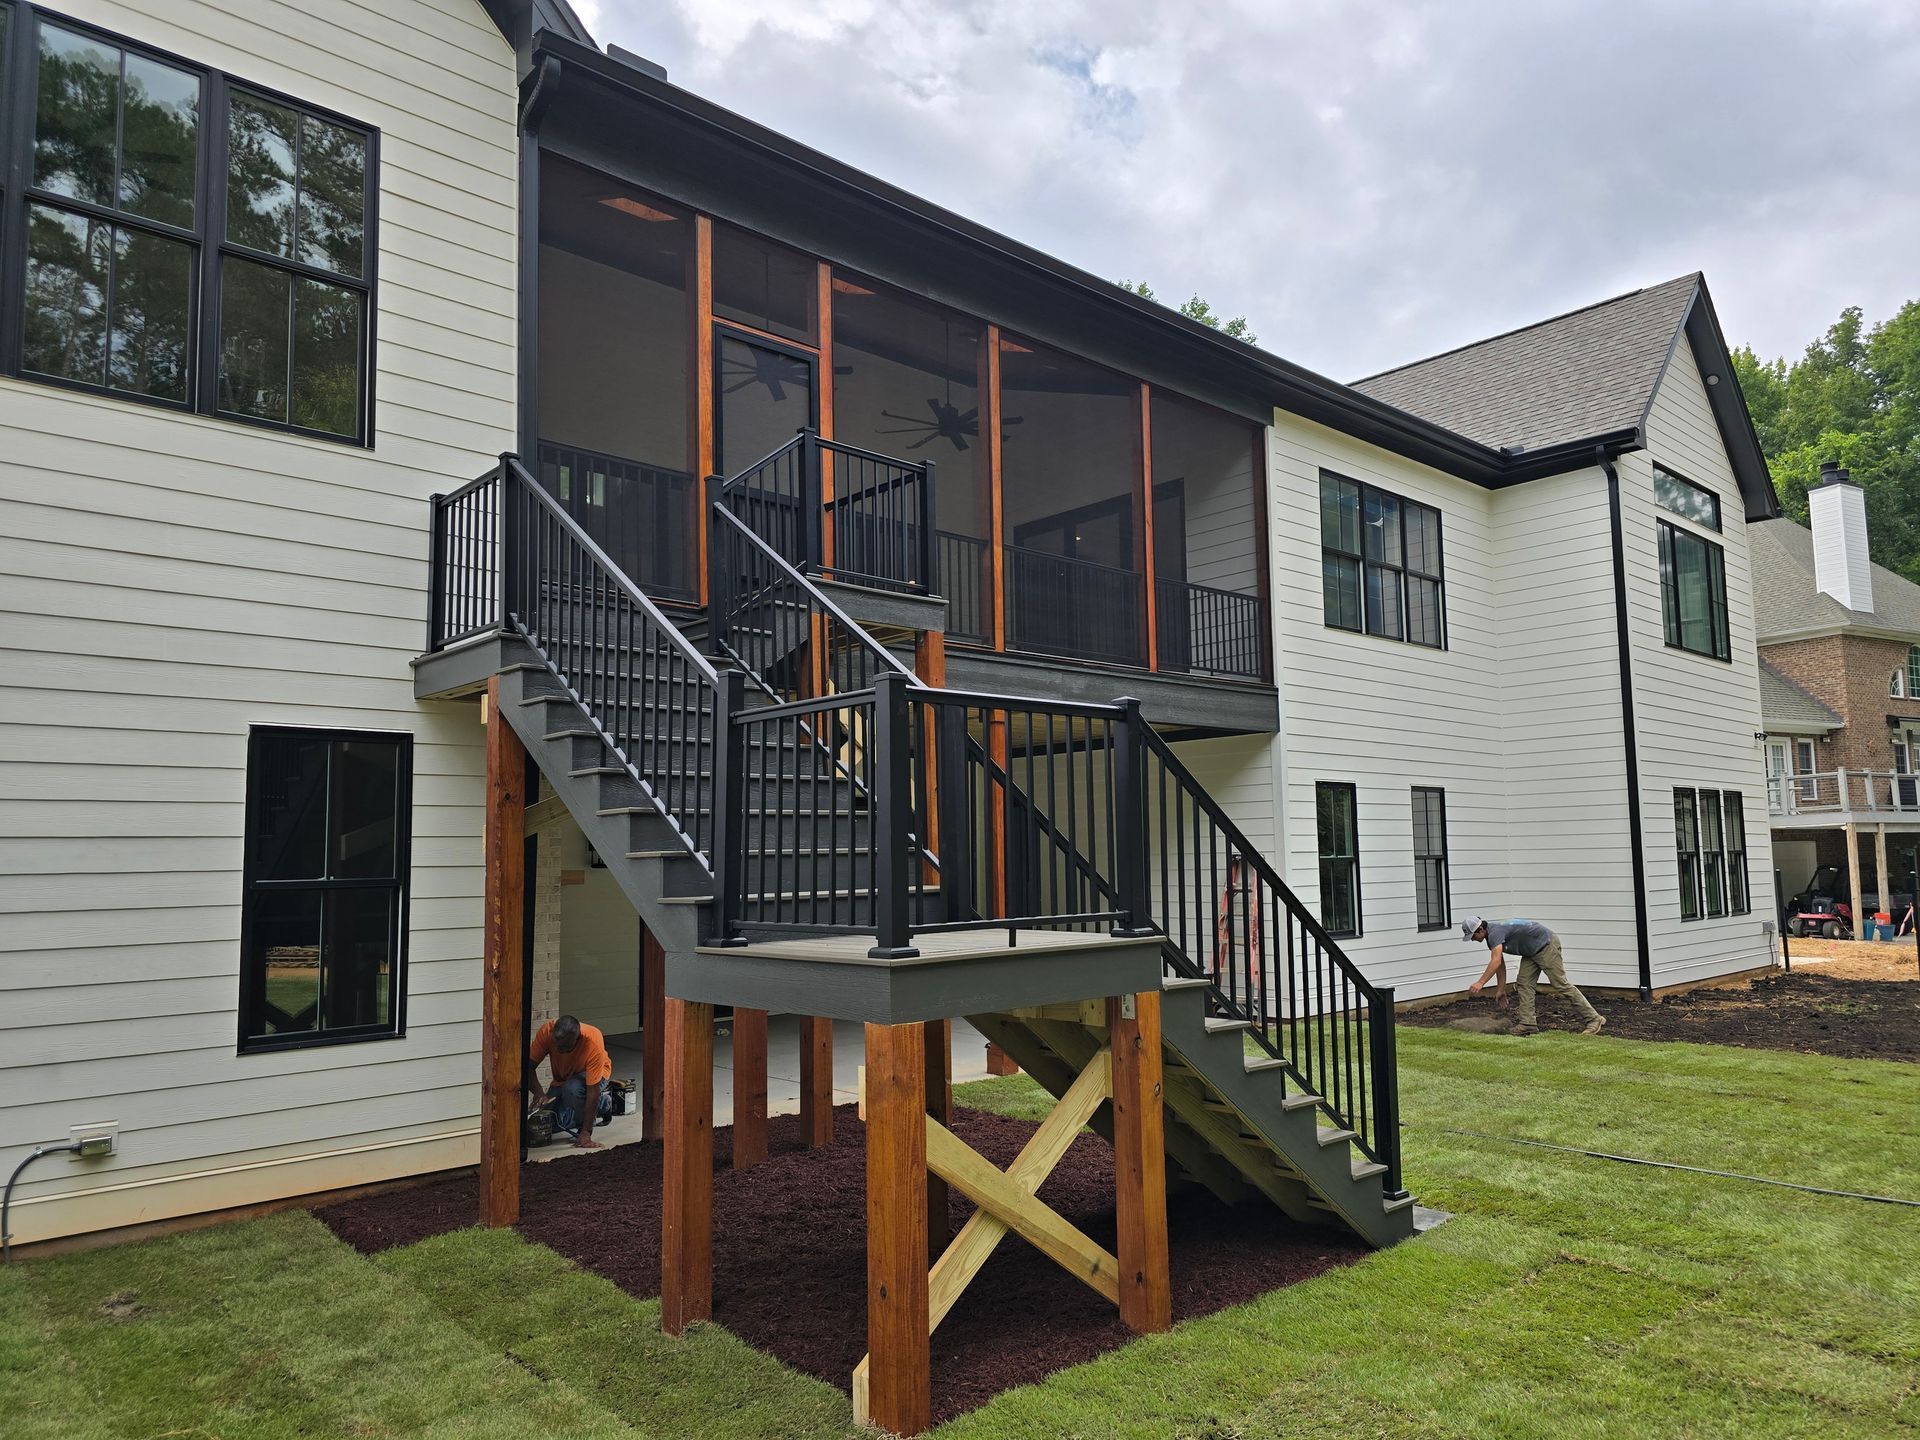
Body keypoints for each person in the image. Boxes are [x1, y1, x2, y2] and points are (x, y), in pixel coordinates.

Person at [1461, 916, 1605, 1036]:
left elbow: (1496, 960)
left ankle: (1593, 1019)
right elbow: (1499, 964)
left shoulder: (1495, 933)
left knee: (1560, 984)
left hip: (1546, 945)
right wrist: (1500, 990)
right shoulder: (1491, 936)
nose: (1473, 939)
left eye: (1473, 935)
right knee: (1524, 983)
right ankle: (1527, 1024)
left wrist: (1480, 982)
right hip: (1532, 951)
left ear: (1480, 929)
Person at [525, 1014, 612, 1148]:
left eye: (565, 1047)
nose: (559, 1050)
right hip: (563, 1079)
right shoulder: (546, 1032)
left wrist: (586, 1133)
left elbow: (592, 1092)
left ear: (577, 1039)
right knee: (547, 1123)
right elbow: (528, 1067)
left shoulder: (592, 1039)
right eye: (556, 1045)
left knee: (572, 1089)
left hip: (592, 1077)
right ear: (552, 1033)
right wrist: (538, 1093)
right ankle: (600, 1108)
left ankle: (593, 1114)